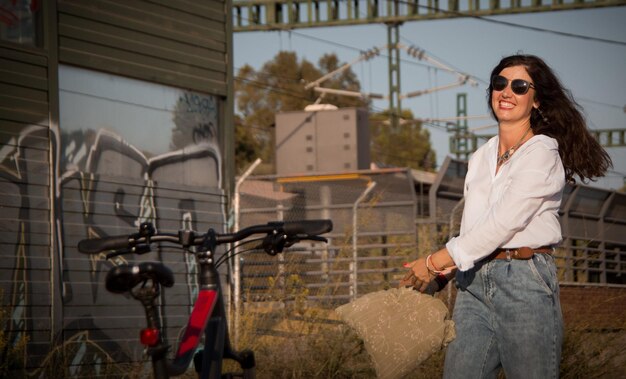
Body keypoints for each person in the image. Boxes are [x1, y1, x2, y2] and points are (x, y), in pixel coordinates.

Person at [400, 54, 612, 378]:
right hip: (472, 285)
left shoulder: (542, 153)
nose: (506, 91)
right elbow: (476, 228)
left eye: (519, 86)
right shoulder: (480, 156)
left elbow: (502, 224)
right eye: (500, 83)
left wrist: (434, 262)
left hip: (523, 282)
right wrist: (445, 273)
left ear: (536, 100)